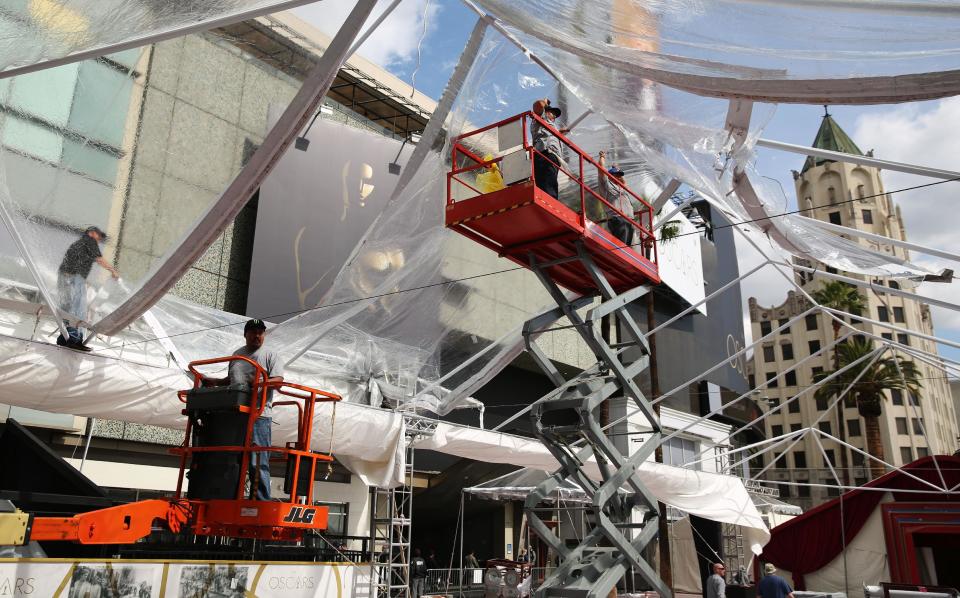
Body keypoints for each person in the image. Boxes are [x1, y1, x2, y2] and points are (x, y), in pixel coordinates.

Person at [202, 318, 284, 500]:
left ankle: (261, 501)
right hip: (235, 415)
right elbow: (232, 380)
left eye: (260, 332)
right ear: (245, 334)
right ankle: (228, 495)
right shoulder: (237, 355)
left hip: (258, 415)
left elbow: (278, 380)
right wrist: (215, 382)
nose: (257, 335)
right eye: (253, 332)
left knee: (258, 459)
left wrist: (259, 383)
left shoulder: (270, 355)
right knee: (231, 456)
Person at [56, 226, 119, 350]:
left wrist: (83, 281)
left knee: (68, 308)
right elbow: (99, 260)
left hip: (66, 277)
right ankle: (73, 340)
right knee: (77, 309)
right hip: (73, 278)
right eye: (99, 235)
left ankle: (64, 338)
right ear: (91, 233)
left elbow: (76, 262)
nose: (100, 239)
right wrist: (113, 271)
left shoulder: (80, 243)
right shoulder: (89, 240)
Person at [530, 98, 568, 200]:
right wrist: (545, 102)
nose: (554, 117)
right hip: (545, 155)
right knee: (547, 183)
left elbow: (547, 134)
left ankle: (550, 200)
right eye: (552, 113)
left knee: (550, 182)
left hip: (552, 158)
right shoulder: (541, 119)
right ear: (546, 112)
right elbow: (537, 104)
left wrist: (558, 133)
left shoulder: (549, 126)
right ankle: (549, 201)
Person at [597, 151, 635, 246]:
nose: (619, 177)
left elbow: (624, 181)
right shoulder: (606, 185)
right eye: (616, 175)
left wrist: (616, 169)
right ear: (610, 176)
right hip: (618, 219)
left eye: (619, 175)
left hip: (629, 221)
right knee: (621, 248)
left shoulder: (623, 189)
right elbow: (601, 170)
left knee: (628, 248)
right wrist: (602, 157)